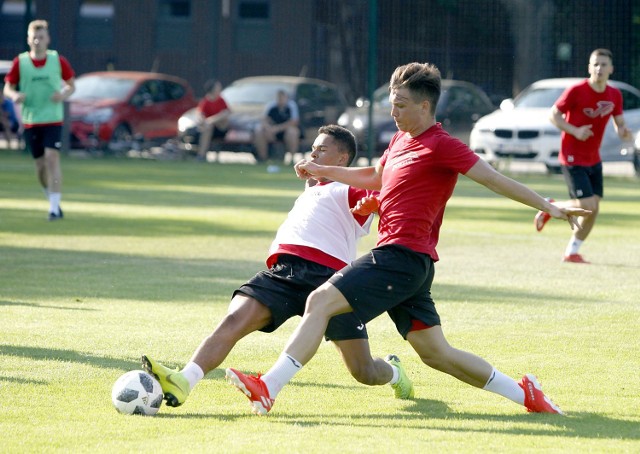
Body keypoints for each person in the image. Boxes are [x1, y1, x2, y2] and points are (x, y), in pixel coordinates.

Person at [226, 62, 592, 416]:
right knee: (436, 354)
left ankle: (269, 387)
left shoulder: (443, 145)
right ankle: (525, 393)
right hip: (409, 263)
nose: (393, 111)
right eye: (391, 103)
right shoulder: (400, 140)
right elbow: (375, 176)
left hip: (401, 257)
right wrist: (324, 171)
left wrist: (548, 205)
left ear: (425, 105)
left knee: (320, 300)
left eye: (401, 105)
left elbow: (494, 178)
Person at [141, 125, 414, 411]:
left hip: (332, 283)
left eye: (322, 149)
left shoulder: (351, 186)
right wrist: (313, 173)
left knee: (364, 371)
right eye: (313, 148)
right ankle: (184, 380)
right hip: (284, 272)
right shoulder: (313, 187)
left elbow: (388, 188)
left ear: (343, 158)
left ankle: (394, 372)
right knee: (233, 321)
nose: (313, 153)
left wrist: (378, 205)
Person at [534, 48, 633, 264]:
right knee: (587, 205)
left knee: (593, 210)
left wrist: (624, 132)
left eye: (603, 64)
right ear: (589, 67)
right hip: (572, 157)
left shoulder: (614, 94)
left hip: (594, 158)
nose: (599, 68)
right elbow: (553, 115)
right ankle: (551, 206)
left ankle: (571, 252)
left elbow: (620, 124)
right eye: (595, 64)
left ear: (611, 69)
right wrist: (575, 131)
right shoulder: (576, 90)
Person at [3, 19, 75, 221]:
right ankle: (50, 196)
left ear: (48, 39)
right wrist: (14, 95)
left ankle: (54, 208)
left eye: (41, 37)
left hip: (53, 118)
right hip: (31, 120)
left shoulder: (57, 60)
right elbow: (8, 87)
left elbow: (71, 86)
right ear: (28, 39)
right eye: (34, 37)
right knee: (40, 166)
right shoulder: (21, 62)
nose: (37, 40)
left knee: (52, 158)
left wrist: (63, 94)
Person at [253, 89, 300, 162]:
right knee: (259, 130)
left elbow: (294, 122)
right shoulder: (271, 106)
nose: (280, 100)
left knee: (293, 132)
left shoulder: (291, 106)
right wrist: (268, 129)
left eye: (282, 98)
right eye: (279, 98)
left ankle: (292, 159)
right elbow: (264, 119)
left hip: (284, 131)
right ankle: (263, 159)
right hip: (272, 131)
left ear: (286, 98)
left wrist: (277, 128)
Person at [195, 78, 231, 160]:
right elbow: (200, 115)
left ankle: (210, 122)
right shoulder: (205, 102)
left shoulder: (221, 100)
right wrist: (205, 122)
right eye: (217, 87)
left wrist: (211, 120)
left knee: (223, 115)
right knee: (207, 128)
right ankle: (201, 155)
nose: (220, 89)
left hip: (221, 129)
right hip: (208, 129)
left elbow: (227, 113)